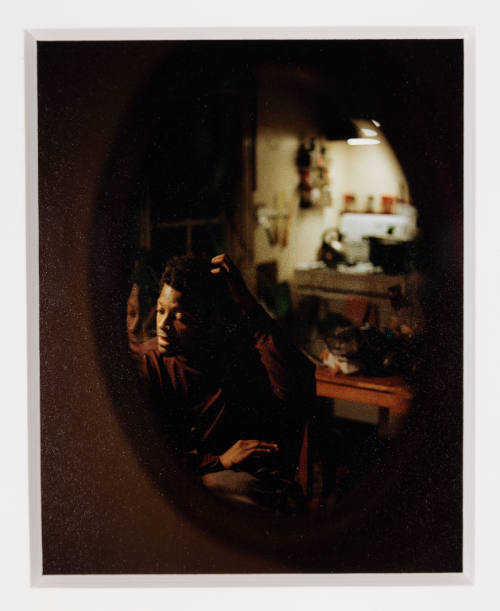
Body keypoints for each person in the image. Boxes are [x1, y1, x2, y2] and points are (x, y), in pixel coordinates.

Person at [138, 253, 315, 513]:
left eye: (180, 317)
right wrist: (219, 461)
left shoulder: (228, 353)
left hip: (231, 482)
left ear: (207, 322)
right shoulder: (147, 364)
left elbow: (296, 380)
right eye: (161, 310)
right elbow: (144, 454)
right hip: (176, 486)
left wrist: (245, 300)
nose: (163, 325)